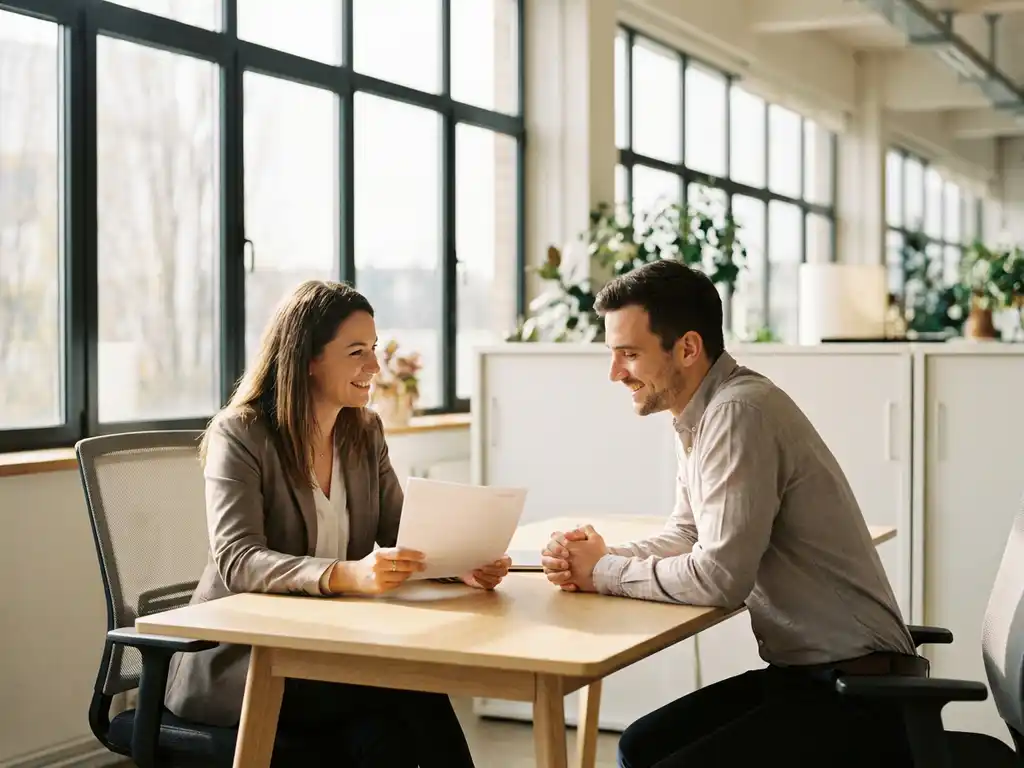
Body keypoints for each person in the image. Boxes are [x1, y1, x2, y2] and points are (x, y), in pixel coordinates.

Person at [540, 260, 921, 767]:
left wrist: (604, 571)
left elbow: (719, 578)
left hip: (856, 689)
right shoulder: (702, 413)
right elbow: (689, 532)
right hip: (810, 675)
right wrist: (595, 557)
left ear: (688, 348)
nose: (615, 373)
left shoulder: (738, 414)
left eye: (629, 354)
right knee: (639, 747)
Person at [165, 279, 509, 767]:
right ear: (309, 359)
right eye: (356, 352)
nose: (374, 366)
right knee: (397, 705)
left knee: (405, 701)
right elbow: (238, 560)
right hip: (244, 664)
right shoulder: (242, 434)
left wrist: (461, 565)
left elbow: (402, 531)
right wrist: (348, 574)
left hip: (327, 652)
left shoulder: (363, 432)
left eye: (373, 348)